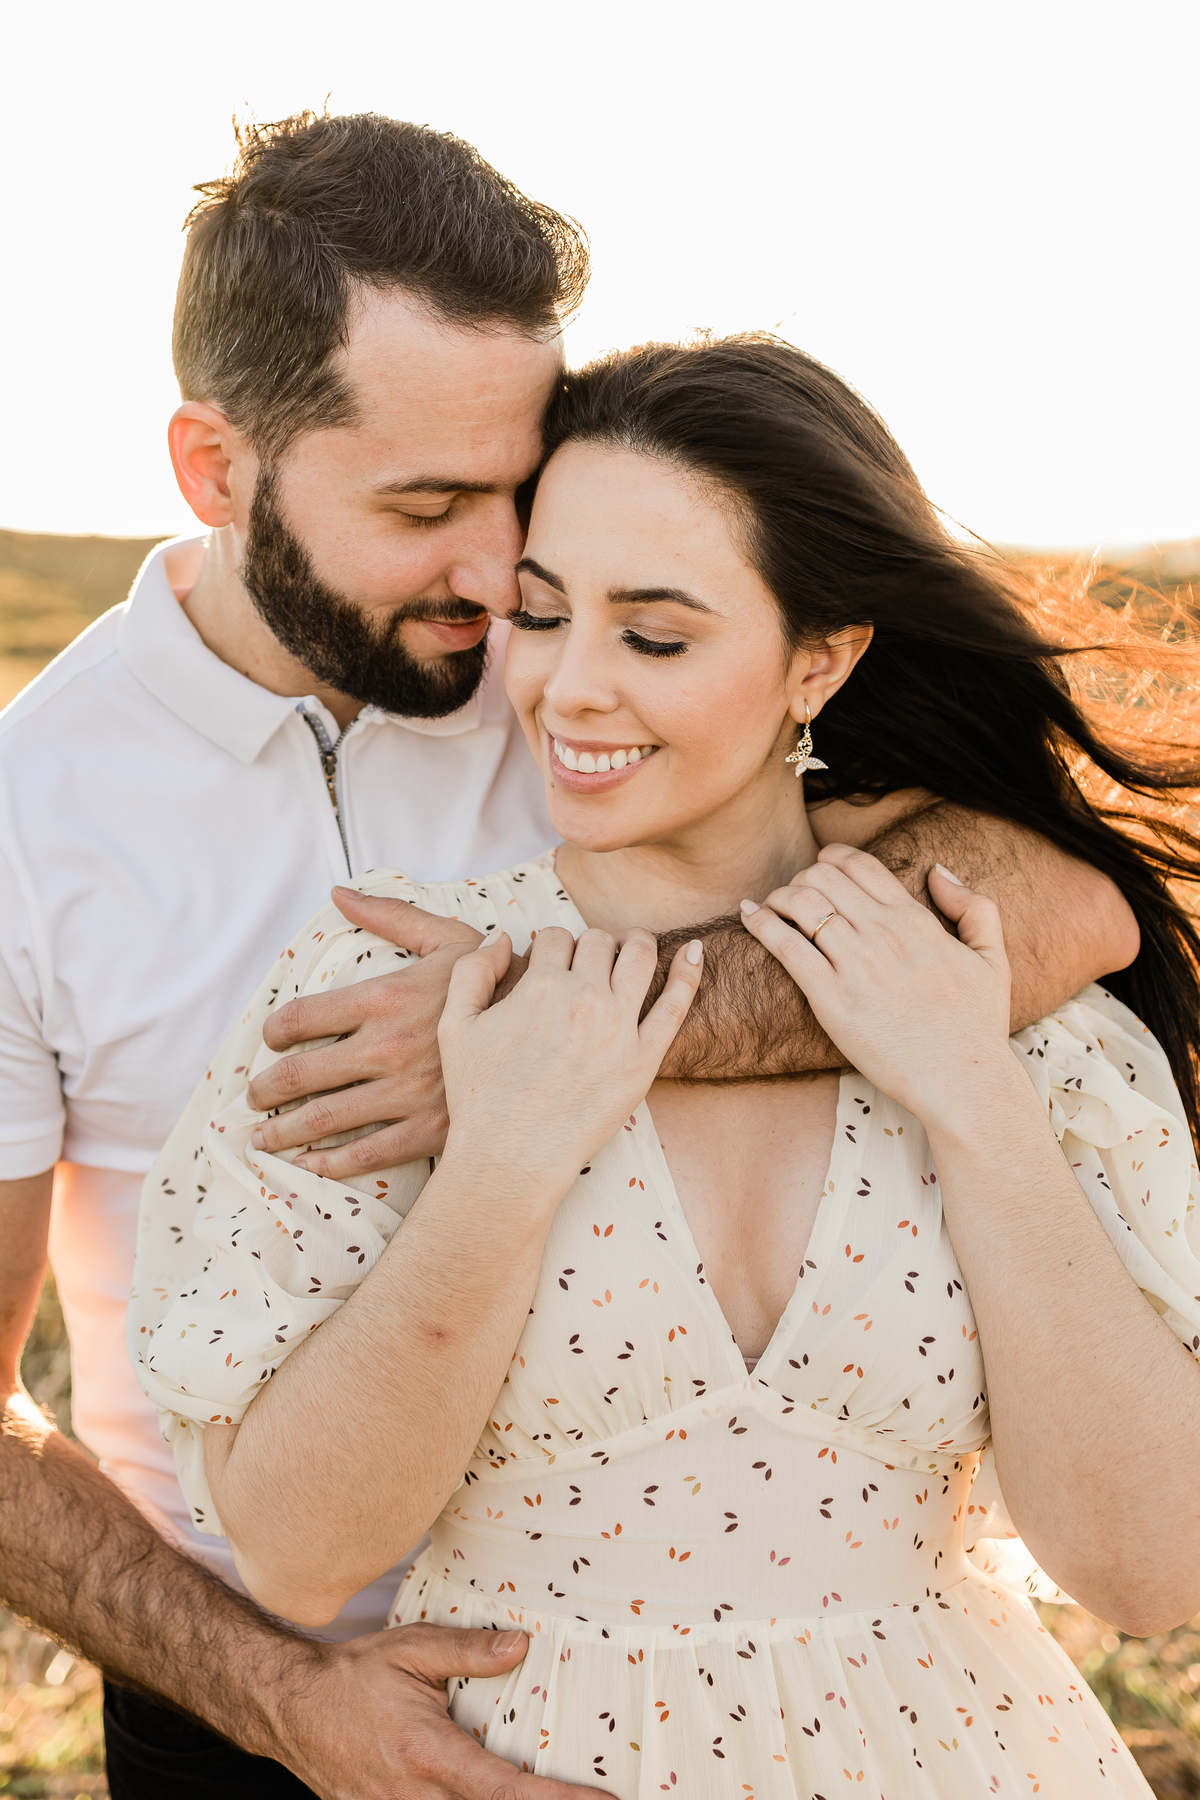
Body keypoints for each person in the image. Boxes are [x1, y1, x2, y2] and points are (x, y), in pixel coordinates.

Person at [0, 112, 1127, 1799]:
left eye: (513, 492)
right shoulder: (26, 820)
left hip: (690, 1669)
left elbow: (1051, 896)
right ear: (215, 471)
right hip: (245, 1686)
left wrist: (587, 1028)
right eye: (425, 505)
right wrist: (278, 1698)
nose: (494, 571)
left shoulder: (586, 670)